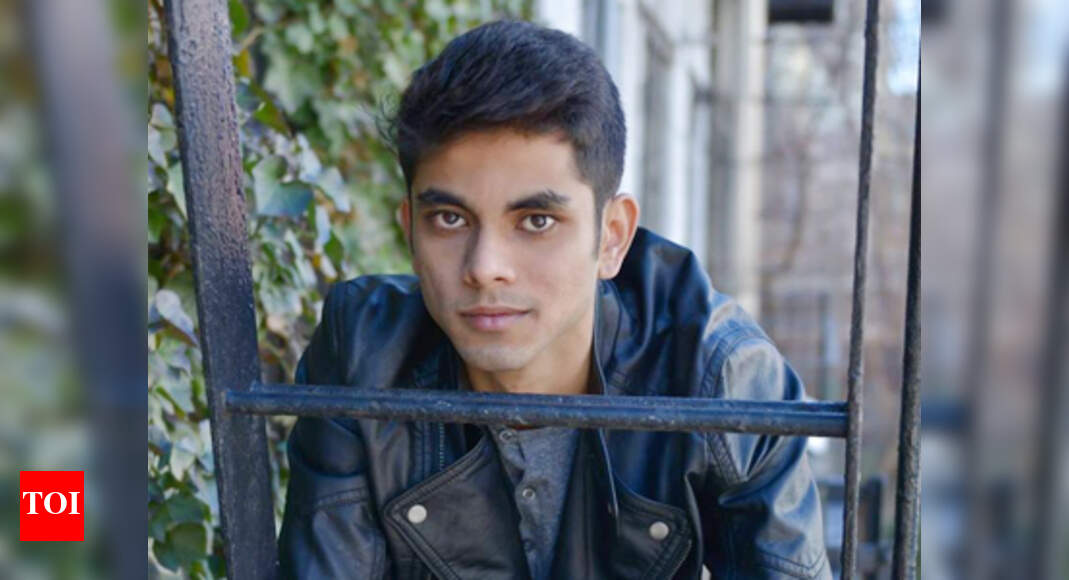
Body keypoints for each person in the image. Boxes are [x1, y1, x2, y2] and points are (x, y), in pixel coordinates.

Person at [278, 20, 830, 579]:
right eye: (449, 218)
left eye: (536, 220)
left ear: (612, 237)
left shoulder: (718, 375)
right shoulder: (366, 357)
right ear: (410, 231)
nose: (484, 267)